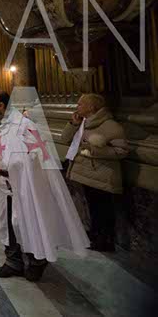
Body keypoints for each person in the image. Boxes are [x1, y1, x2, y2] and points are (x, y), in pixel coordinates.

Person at [0, 91, 89, 282]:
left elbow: (37, 155)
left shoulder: (25, 126)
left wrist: (9, 163)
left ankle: (37, 261)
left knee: (26, 222)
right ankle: (13, 262)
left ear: (1, 106)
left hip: (25, 185)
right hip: (1, 184)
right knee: (5, 224)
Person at [61, 93, 129, 252]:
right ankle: (95, 235)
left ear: (91, 107)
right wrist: (73, 124)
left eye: (80, 104)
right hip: (87, 173)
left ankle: (105, 241)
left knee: (103, 208)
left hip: (101, 174)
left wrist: (94, 150)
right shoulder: (83, 123)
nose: (77, 107)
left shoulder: (110, 126)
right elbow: (65, 139)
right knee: (93, 206)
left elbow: (122, 150)